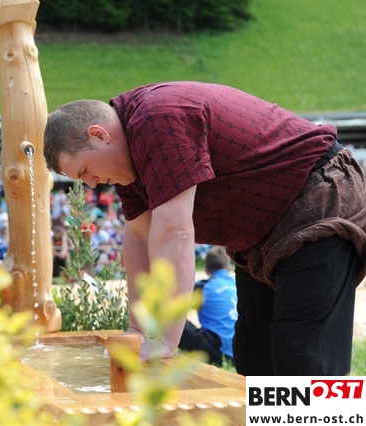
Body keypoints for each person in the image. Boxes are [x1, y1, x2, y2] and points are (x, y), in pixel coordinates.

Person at [43, 81, 366, 376]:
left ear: (99, 135)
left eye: (85, 171)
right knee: (254, 355)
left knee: (304, 360)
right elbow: (139, 238)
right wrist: (138, 331)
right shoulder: (128, 165)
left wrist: (165, 339)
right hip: (261, 233)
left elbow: (175, 232)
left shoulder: (156, 118)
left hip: (316, 197)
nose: (91, 184)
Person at [179, 246, 237, 366]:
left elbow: (177, 307)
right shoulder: (237, 285)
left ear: (206, 270)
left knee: (174, 320)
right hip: (241, 351)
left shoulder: (203, 287)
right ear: (229, 267)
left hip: (218, 352)